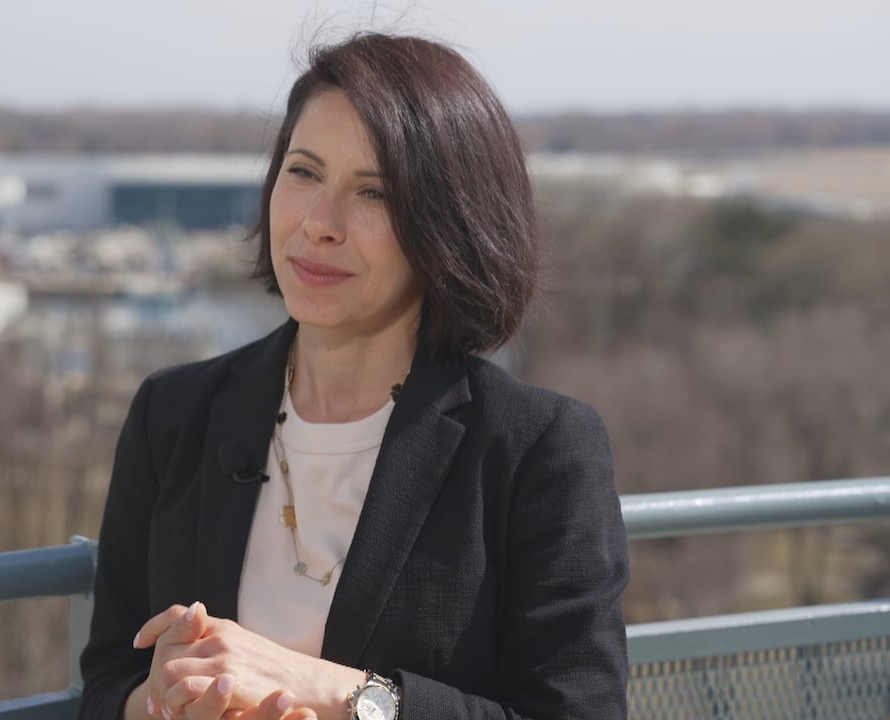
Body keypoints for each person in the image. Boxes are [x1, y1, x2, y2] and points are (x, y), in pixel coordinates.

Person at [79, 32, 629, 720]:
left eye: (374, 192)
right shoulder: (172, 413)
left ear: (449, 224)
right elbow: (107, 686)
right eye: (304, 173)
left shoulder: (538, 449)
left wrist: (341, 693)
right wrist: (163, 699)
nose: (320, 223)